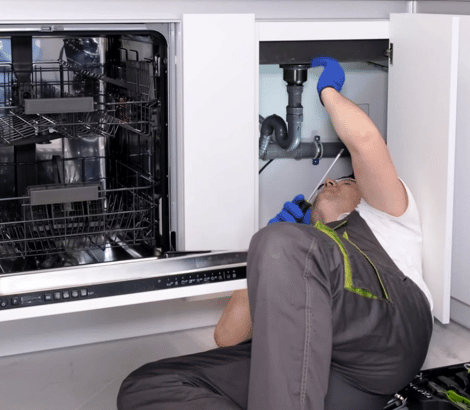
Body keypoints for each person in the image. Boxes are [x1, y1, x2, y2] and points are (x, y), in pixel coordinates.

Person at [117, 56, 433, 410]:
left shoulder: (386, 216)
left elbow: (364, 141)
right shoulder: (296, 248)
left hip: (388, 344)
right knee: (147, 387)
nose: (330, 181)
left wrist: (328, 90)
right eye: (328, 182)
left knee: (283, 246)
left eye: (345, 181)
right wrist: (269, 251)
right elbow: (227, 335)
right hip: (322, 378)